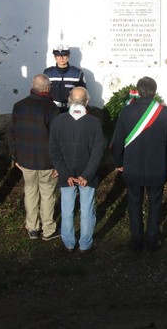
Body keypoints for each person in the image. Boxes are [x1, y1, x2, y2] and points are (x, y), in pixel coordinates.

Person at [112, 76, 167, 252]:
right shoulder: (164, 112)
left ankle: (136, 240)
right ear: (154, 91)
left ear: (138, 91)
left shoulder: (127, 111)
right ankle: (152, 240)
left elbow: (117, 140)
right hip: (157, 167)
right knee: (156, 203)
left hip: (132, 166)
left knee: (134, 203)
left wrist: (118, 162)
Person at [49, 87, 104, 253]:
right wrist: (87, 174)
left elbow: (54, 150)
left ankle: (69, 242)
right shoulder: (94, 122)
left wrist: (65, 174)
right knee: (87, 209)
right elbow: (97, 151)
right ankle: (85, 243)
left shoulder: (58, 120)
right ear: (87, 102)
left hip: (67, 173)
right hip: (87, 173)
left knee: (67, 208)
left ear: (69, 100)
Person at [9, 74, 60, 240]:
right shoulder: (51, 108)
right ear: (47, 88)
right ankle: (48, 229)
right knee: (47, 194)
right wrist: (59, 162)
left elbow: (12, 134)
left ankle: (32, 228)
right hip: (47, 161)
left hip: (26, 160)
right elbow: (56, 137)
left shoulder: (19, 106)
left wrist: (15, 157)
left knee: (30, 192)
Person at [43, 44, 86, 113]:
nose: (61, 58)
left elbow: (83, 94)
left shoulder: (77, 73)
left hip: (71, 110)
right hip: (52, 109)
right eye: (58, 55)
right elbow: (43, 93)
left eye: (64, 55)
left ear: (68, 56)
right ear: (55, 57)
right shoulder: (48, 73)